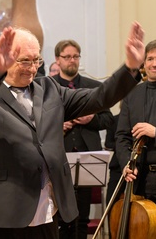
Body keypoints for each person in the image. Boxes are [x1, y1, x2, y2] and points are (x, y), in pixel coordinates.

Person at [0, 22, 144, 239]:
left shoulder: (49, 89)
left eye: (36, 60)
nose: (33, 68)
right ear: (5, 57)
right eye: (25, 60)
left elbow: (98, 97)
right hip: (0, 213)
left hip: (47, 210)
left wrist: (130, 67)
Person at [52, 39, 114, 239]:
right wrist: (57, 127)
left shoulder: (94, 87)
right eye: (67, 56)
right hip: (57, 157)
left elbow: (108, 120)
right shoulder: (48, 86)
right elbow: (35, 123)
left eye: (75, 56)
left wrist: (91, 118)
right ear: (57, 60)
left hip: (87, 159)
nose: (72, 60)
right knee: (58, 218)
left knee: (82, 217)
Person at [116, 39, 156, 217]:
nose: (155, 64)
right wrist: (126, 163)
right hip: (140, 180)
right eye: (150, 59)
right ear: (144, 63)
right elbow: (121, 136)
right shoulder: (132, 94)